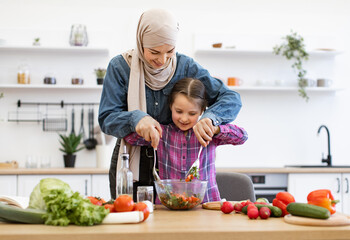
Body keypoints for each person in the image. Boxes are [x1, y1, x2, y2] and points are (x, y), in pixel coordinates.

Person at [98, 9, 242, 201]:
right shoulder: (120, 67)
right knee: (132, 222)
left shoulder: (186, 66)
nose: (163, 60)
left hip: (174, 164)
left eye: (170, 51)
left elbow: (231, 98)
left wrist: (210, 119)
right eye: (154, 52)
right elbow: (107, 118)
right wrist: (136, 118)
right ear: (141, 44)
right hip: (132, 162)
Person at [123, 78, 248, 203]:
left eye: (192, 113)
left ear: (202, 111)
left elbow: (242, 137)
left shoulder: (208, 132)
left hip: (207, 205)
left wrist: (216, 129)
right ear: (170, 106)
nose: (184, 118)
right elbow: (128, 138)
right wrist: (144, 125)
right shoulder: (162, 133)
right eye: (179, 111)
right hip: (169, 206)